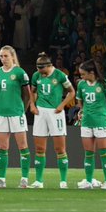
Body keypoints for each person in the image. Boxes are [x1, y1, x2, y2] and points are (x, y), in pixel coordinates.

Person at [28, 52, 74, 188]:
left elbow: (72, 92)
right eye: (37, 69)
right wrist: (32, 104)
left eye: (41, 69)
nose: (39, 72)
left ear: (49, 66)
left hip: (55, 112)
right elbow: (33, 91)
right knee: (39, 148)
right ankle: (38, 181)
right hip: (40, 112)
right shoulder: (36, 76)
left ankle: (63, 181)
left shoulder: (60, 75)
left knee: (60, 148)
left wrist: (62, 105)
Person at [0, 45, 33, 189]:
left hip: (17, 113)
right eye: (1, 56)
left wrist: (23, 110)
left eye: (6, 56)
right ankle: (1, 180)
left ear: (12, 56)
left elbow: (28, 94)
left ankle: (24, 179)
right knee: (2, 147)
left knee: (23, 146)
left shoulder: (20, 72)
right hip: (2, 114)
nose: (3, 59)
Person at [76, 59, 106, 190]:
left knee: (104, 152)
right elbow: (80, 101)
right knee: (88, 153)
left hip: (101, 121)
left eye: (83, 74)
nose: (81, 77)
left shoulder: (104, 84)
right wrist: (82, 111)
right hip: (86, 122)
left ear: (91, 72)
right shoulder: (81, 85)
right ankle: (88, 181)